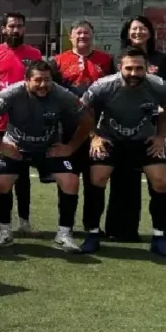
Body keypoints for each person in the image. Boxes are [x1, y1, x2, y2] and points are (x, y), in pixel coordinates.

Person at [0, 59, 92, 249]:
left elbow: (87, 119)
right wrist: (0, 144)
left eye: (47, 80)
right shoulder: (12, 93)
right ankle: (5, 231)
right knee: (1, 182)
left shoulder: (61, 94)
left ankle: (64, 234)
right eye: (38, 80)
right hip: (17, 147)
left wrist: (70, 147)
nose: (43, 85)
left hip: (48, 148)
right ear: (26, 80)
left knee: (71, 181)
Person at [78, 46, 166, 257]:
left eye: (139, 69)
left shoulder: (158, 86)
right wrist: (94, 136)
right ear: (119, 66)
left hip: (144, 140)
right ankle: (93, 233)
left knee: (162, 182)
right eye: (129, 68)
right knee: (97, 178)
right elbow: (83, 108)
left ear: (147, 68)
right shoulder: (103, 86)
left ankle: (159, 237)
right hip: (110, 139)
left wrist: (161, 136)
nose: (134, 73)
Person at [106, 15, 166, 245]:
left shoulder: (161, 58)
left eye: (142, 29)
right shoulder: (117, 58)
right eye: (134, 29)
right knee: (123, 180)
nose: (138, 33)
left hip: (152, 126)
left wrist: (161, 133)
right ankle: (122, 230)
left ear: (149, 32)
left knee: (160, 181)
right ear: (127, 33)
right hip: (123, 127)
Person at [0, 11, 43, 235]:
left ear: (24, 29)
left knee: (22, 176)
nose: (16, 30)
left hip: (25, 126)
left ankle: (24, 222)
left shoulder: (34, 54)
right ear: (3, 29)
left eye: (20, 26)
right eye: (12, 26)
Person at [52, 20, 116, 233]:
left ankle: (92, 227)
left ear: (93, 35)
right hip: (68, 133)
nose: (83, 37)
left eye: (87, 33)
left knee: (95, 182)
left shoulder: (106, 60)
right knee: (68, 180)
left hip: (99, 132)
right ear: (70, 37)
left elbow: (114, 94)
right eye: (78, 33)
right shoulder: (57, 61)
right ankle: (66, 227)